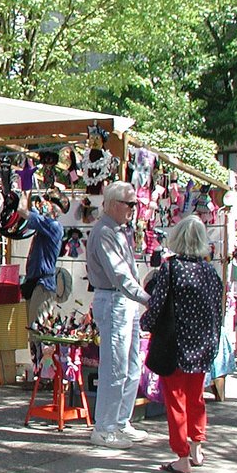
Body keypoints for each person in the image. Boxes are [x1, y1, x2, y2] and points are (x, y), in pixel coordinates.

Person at [140, 217, 223, 473]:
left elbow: (158, 304)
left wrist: (146, 322)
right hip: (202, 345)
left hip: (175, 344)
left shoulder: (171, 268)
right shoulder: (210, 271)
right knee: (196, 398)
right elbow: (217, 310)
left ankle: (181, 456)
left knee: (175, 400)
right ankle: (197, 447)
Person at [86, 180, 151, 449]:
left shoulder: (119, 231)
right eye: (130, 204)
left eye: (136, 204)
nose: (134, 209)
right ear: (113, 204)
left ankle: (121, 421)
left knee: (132, 365)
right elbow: (119, 275)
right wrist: (148, 299)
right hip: (114, 300)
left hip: (124, 302)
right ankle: (104, 427)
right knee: (115, 366)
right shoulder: (104, 232)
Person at [21, 190, 67, 328]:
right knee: (32, 330)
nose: (43, 205)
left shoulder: (54, 226)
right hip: (34, 282)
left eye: (47, 203)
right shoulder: (44, 224)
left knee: (37, 331)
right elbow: (30, 209)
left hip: (43, 284)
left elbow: (22, 211)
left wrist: (25, 189)